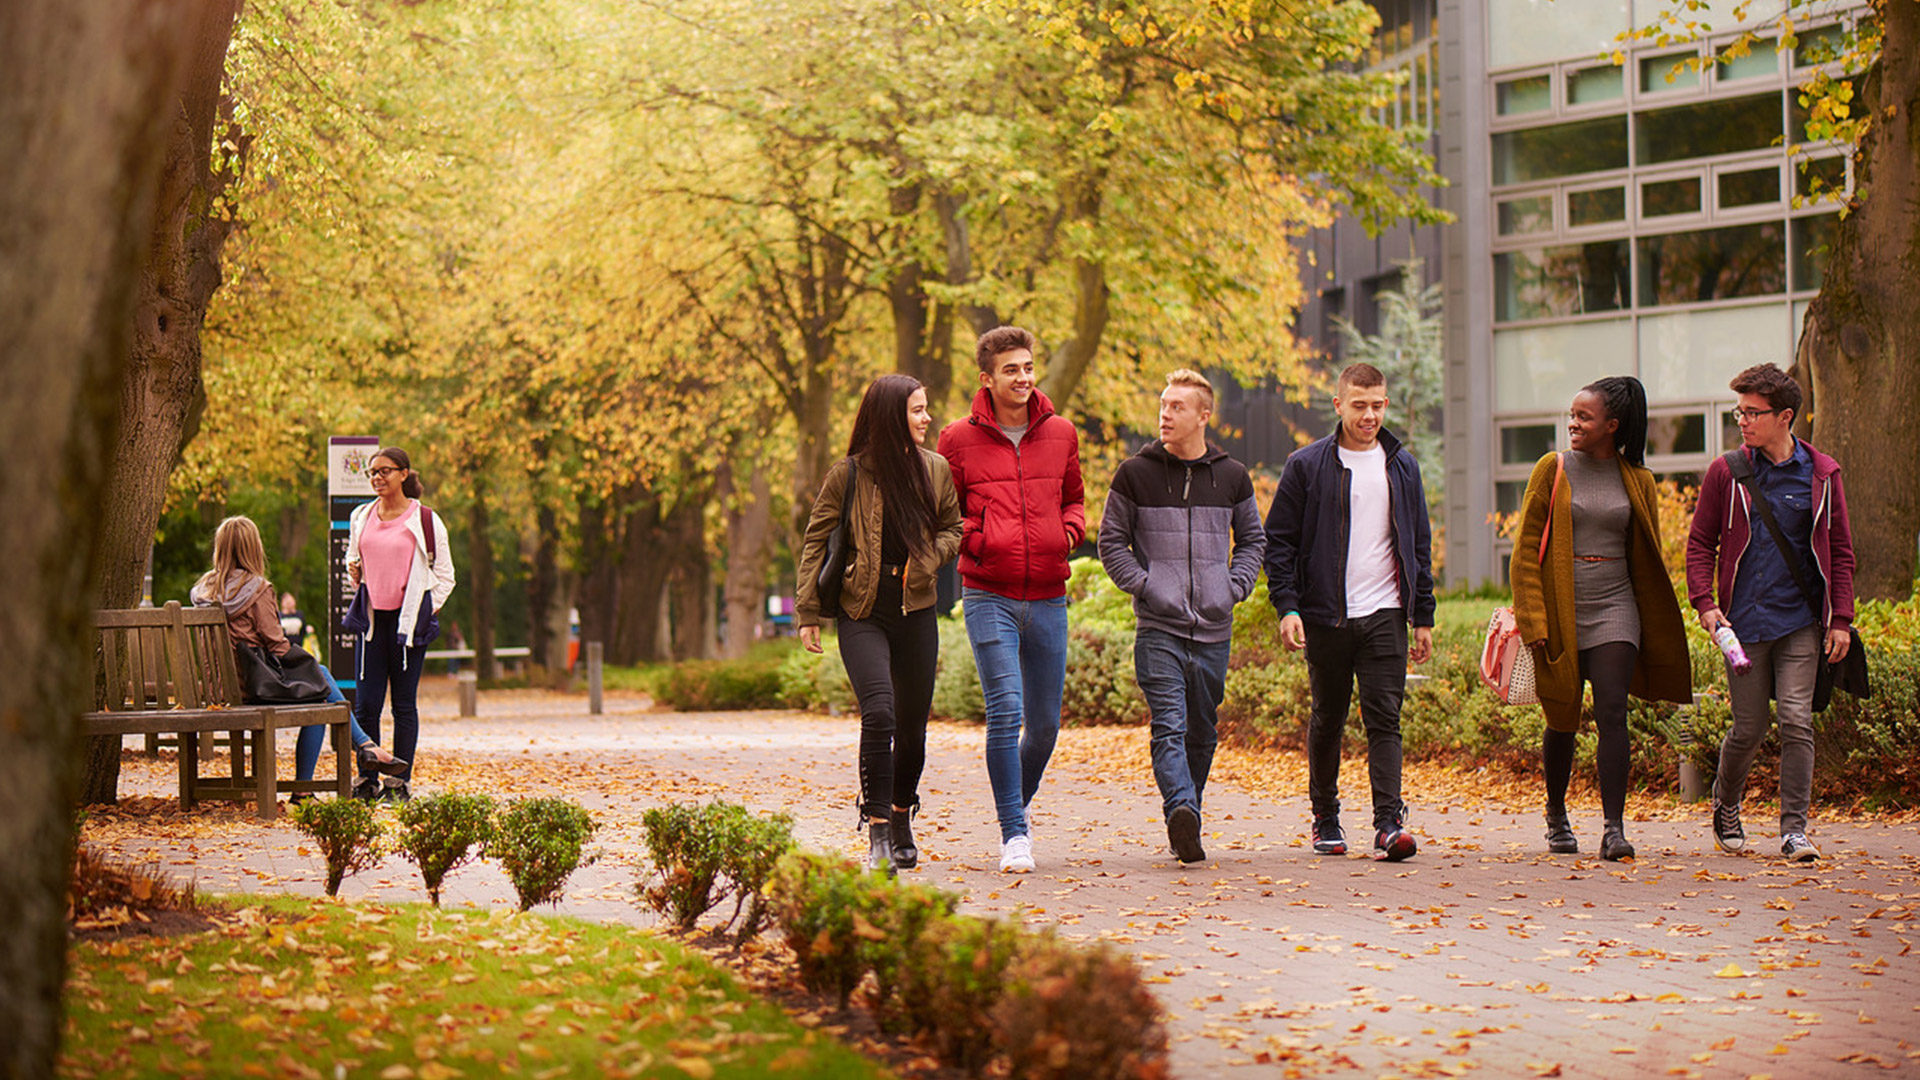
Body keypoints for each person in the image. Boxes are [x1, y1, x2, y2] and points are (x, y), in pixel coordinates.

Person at [1510, 376, 1690, 860]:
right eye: (1571, 414)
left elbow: (1645, 555)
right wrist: (1535, 622)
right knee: (1563, 718)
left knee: (1613, 712)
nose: (1573, 423)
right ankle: (1556, 816)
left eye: (1583, 417)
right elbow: (1525, 550)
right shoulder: (1554, 468)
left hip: (1616, 607)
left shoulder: (1639, 480)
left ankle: (1614, 829)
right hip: (1562, 611)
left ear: (1612, 425)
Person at [1264, 362, 1434, 862]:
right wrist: (1287, 606)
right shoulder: (1307, 464)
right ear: (1339, 405)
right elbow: (1280, 543)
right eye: (1359, 405)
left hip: (1385, 612)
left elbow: (1418, 545)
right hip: (1327, 615)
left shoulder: (1402, 465)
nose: (1370, 415)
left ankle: (1388, 824)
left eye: (1378, 405)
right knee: (1329, 717)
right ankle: (1326, 817)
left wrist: (1422, 614)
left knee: (1386, 718)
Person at [1685, 363, 1855, 862]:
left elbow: (1840, 551)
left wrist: (1839, 618)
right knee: (1749, 728)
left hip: (1800, 621)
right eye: (1739, 411)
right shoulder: (1727, 472)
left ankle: (1794, 830)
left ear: (1785, 417)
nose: (1743, 421)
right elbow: (1701, 543)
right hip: (1743, 623)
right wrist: (1706, 605)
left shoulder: (1822, 474)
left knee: (1798, 722)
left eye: (1752, 412)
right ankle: (1727, 800)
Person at [795, 375, 963, 874]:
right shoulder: (846, 475)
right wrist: (808, 613)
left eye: (926, 408)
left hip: (916, 609)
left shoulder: (935, 471)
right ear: (892, 415)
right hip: (861, 609)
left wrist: (931, 557)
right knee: (881, 713)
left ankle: (901, 810)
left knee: (912, 729)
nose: (927, 418)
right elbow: (814, 542)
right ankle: (878, 831)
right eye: (917, 410)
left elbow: (955, 527)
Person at [1099, 370, 1265, 865]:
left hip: (1214, 627)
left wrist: (1233, 587)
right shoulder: (1135, 473)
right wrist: (1149, 587)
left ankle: (1185, 820)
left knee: (1203, 730)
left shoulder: (1233, 475)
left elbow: (1253, 540)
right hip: (1159, 627)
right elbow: (1112, 543)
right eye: (1163, 405)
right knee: (1168, 725)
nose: (1165, 414)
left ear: (1203, 416)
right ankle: (1182, 807)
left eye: (1177, 407)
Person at [937, 326, 1086, 873]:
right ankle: (1014, 833)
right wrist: (981, 539)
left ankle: (1011, 805)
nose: (1023, 378)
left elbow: (1074, 498)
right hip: (988, 593)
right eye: (1011, 370)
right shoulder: (956, 440)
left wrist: (1066, 533)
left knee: (1045, 725)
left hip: (1048, 594)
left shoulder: (1062, 432)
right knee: (1007, 710)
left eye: (1028, 367)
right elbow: (945, 513)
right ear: (987, 378)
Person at [189, 517, 406, 794]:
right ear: (253, 548)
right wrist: (306, 661)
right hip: (250, 687)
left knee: (319, 682)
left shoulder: (203, 591)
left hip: (215, 688)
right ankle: (352, 754)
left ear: (220, 548)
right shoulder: (256, 589)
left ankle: (364, 746)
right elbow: (277, 645)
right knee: (320, 684)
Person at [345, 446, 456, 802]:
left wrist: (428, 609)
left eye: (385, 471)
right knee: (365, 706)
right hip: (373, 621)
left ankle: (399, 784)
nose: (377, 478)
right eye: (372, 473)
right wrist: (355, 574)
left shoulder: (424, 520)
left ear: (404, 474)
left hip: (408, 624)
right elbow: (355, 563)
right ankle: (367, 780)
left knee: (404, 705)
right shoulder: (361, 516)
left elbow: (445, 575)